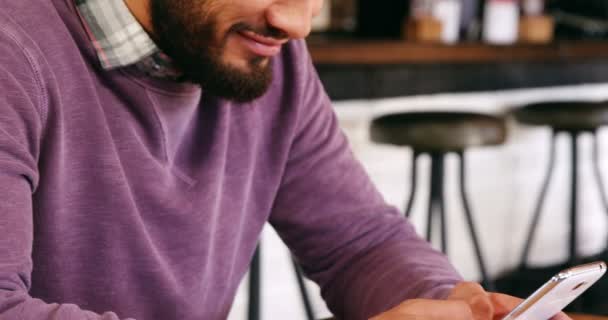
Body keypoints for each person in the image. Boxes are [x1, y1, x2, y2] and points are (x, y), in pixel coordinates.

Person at [0, 0, 570, 319]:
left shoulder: (272, 59)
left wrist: (447, 301)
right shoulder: (13, 48)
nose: (298, 23)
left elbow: (359, 241)